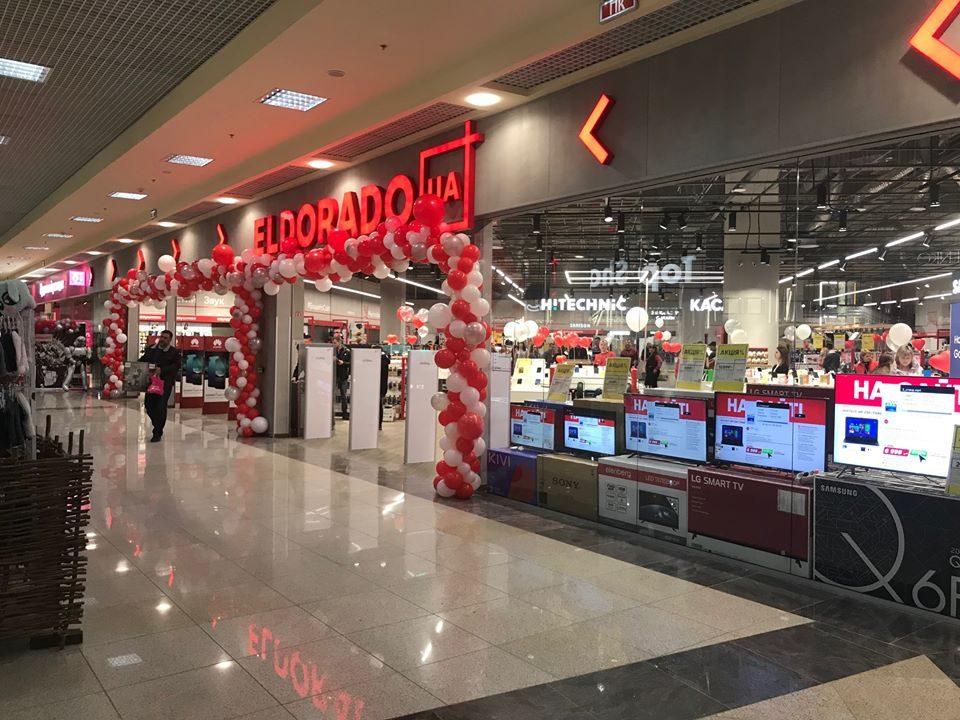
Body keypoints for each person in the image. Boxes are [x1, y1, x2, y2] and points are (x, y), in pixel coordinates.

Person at [139, 330, 181, 442]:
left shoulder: (174, 352)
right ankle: (157, 425)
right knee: (149, 405)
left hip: (164, 384)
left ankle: (157, 432)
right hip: (151, 383)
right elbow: (143, 360)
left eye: (165, 338)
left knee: (160, 407)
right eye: (162, 337)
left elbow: (176, 366)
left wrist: (162, 370)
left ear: (170, 340)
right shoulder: (151, 349)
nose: (162, 339)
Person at [333, 335, 351, 419]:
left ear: (339, 342)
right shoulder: (333, 351)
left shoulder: (347, 351)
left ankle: (345, 413)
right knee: (331, 394)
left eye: (335, 343)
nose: (334, 344)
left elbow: (350, 363)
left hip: (343, 376)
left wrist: (343, 363)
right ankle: (330, 413)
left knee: (343, 395)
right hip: (334, 375)